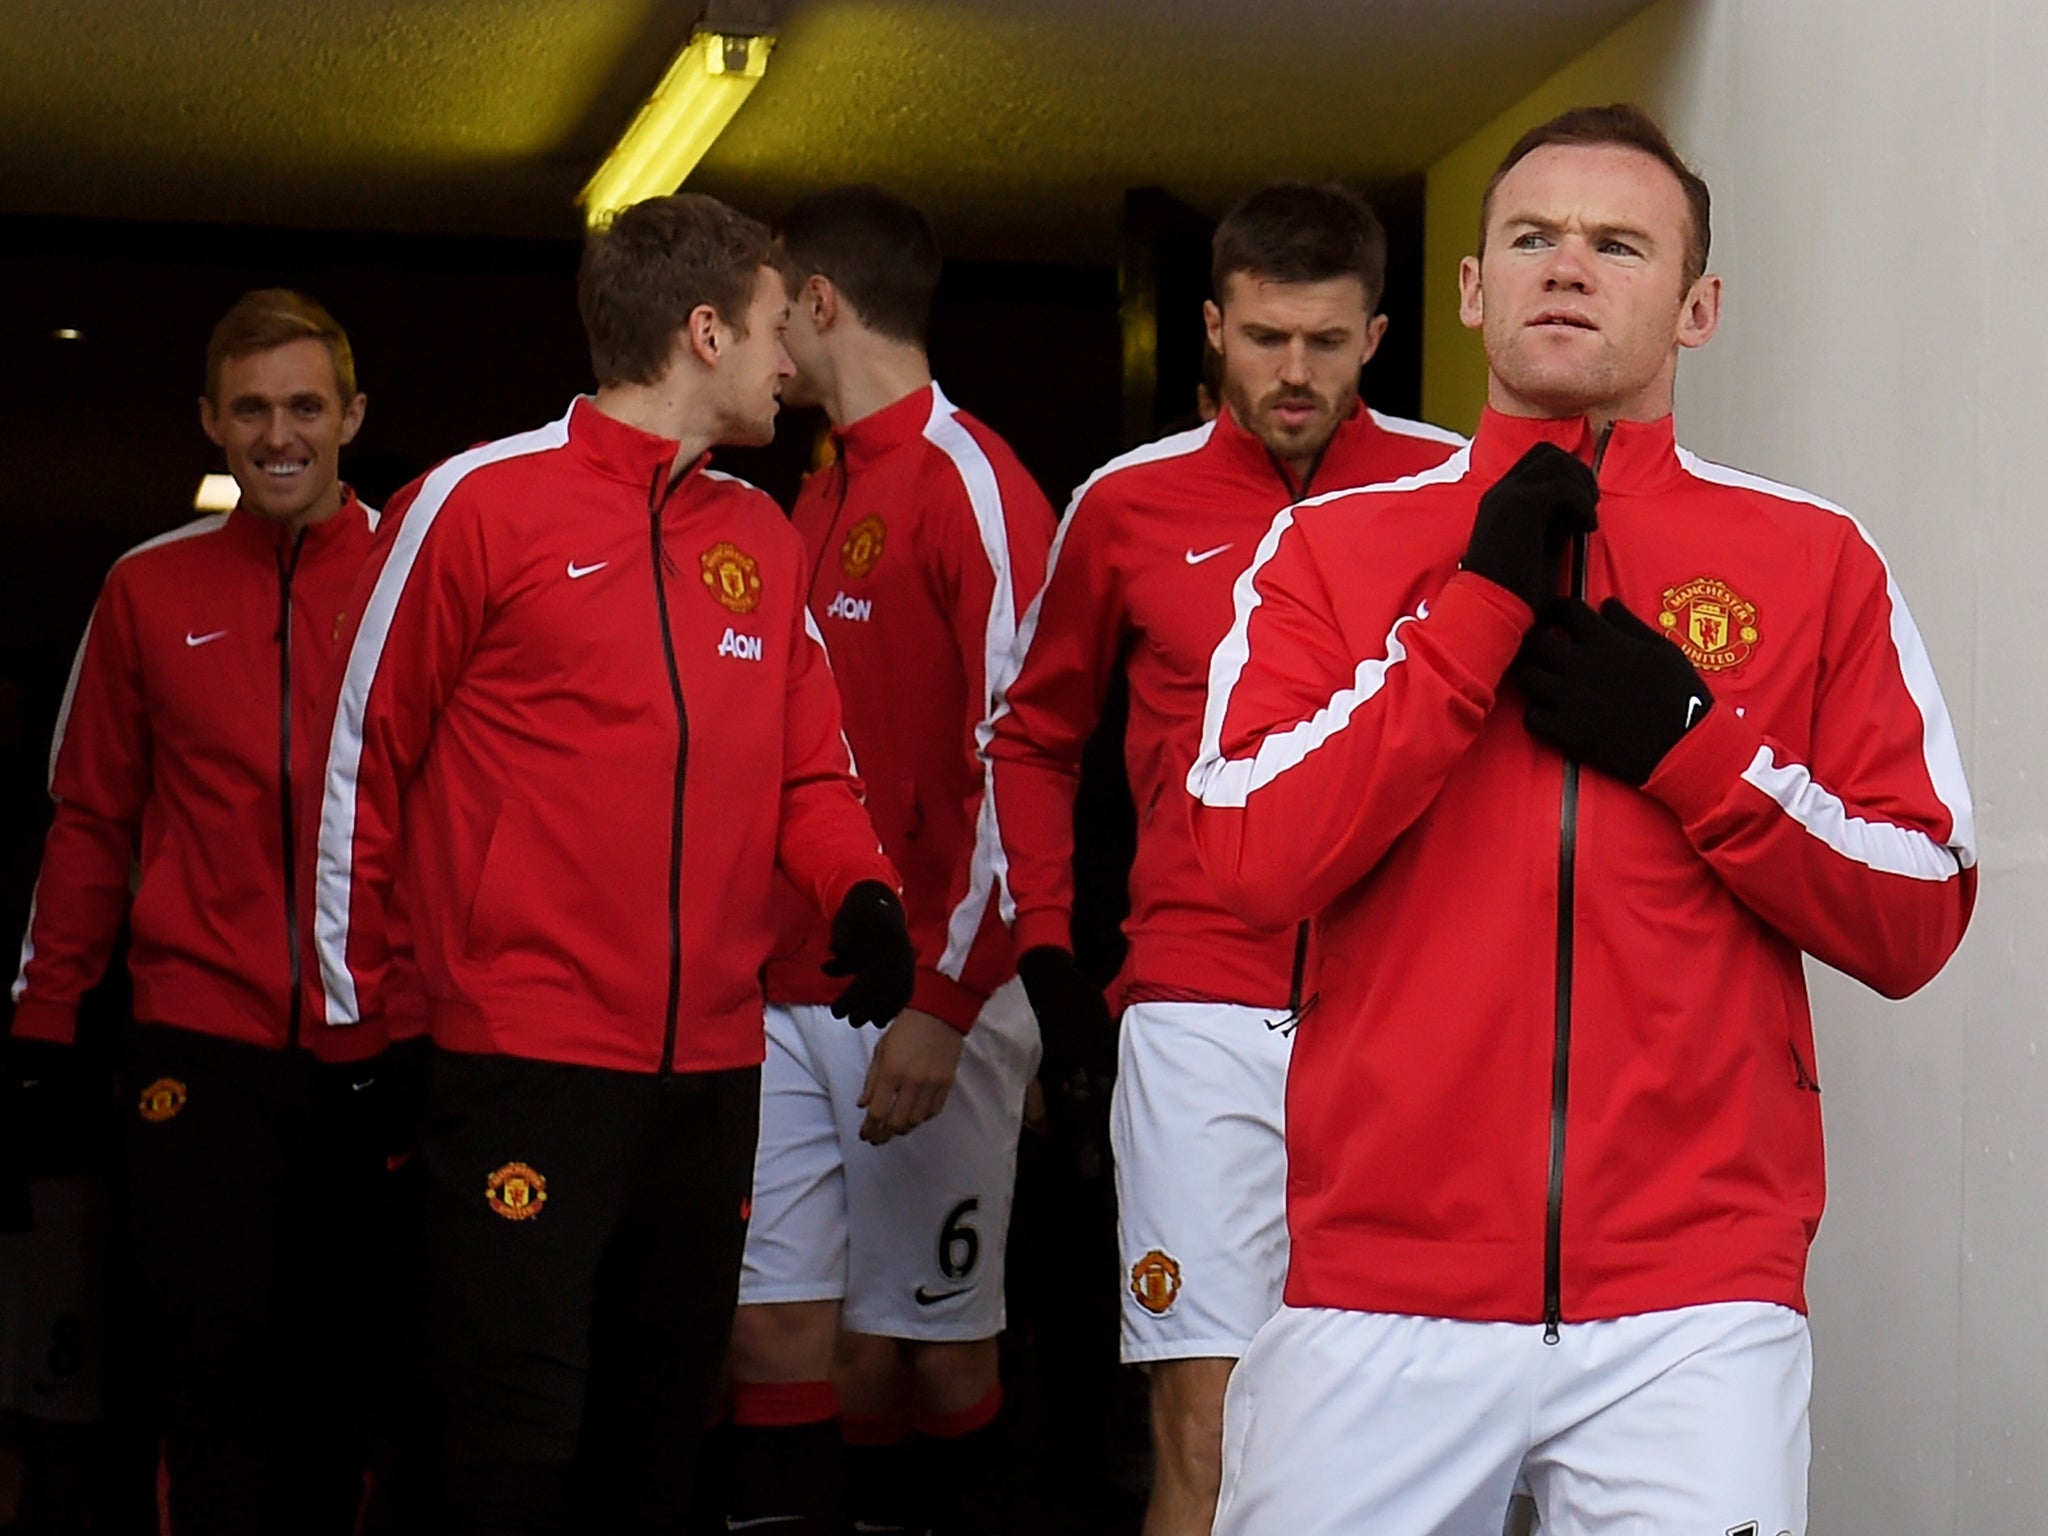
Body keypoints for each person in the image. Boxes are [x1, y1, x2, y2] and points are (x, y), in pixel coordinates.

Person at [1186, 104, 1977, 1535]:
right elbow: (1250, 852)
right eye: (1533, 239)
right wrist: (1471, 615)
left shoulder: (1813, 559)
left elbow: (1918, 904)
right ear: (1474, 286)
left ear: (1696, 306)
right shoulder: (1331, 545)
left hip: (1694, 1304)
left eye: (1619, 245)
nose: (1570, 267)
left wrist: (1689, 748)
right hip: (1381, 1287)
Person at [306, 192, 916, 1535]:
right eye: (768, 329)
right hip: (522, 1064)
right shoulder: (475, 504)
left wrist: (860, 893)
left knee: (657, 1445)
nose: (789, 362)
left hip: (708, 1078)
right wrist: (361, 1023)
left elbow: (812, 767)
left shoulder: (760, 533)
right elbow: (364, 763)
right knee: (513, 1450)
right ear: (702, 332)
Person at [982, 182, 1463, 1536]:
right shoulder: (1127, 504)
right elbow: (1033, 737)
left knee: (1402, 1413)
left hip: (1401, 1010)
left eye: (1323, 341)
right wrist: (1050, 949)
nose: (1293, 373)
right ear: (1211, 328)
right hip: (1196, 1008)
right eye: (1263, 339)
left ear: (1376, 333)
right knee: (1204, 1412)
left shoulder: (1454, 486)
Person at [6, 289, 391, 1534]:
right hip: (195, 1050)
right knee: (210, 1388)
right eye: (251, 410)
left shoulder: (417, 576)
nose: (280, 434)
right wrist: (45, 1023)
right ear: (212, 425)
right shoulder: (144, 590)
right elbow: (91, 819)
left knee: (342, 1394)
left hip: (373, 1050)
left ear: (350, 417)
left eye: (304, 407)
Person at [723, 184, 1052, 1536]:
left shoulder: (972, 484)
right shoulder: (813, 491)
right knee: (784, 1345)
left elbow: (1020, 766)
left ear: (816, 304)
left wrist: (950, 997)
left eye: (761, 306)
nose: (749, 339)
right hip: (791, 983)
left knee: (934, 1351)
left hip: (932, 992)